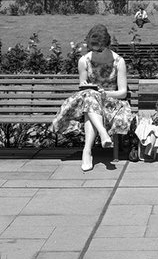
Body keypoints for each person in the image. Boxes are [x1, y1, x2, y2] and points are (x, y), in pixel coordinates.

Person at [52, 24, 134, 172]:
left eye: (100, 49)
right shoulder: (84, 61)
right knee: (89, 96)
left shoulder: (118, 61)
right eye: (93, 49)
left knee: (91, 101)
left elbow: (122, 93)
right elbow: (83, 87)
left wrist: (103, 93)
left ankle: (87, 151)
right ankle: (102, 135)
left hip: (111, 102)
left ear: (107, 44)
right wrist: (86, 86)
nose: (97, 52)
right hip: (89, 101)